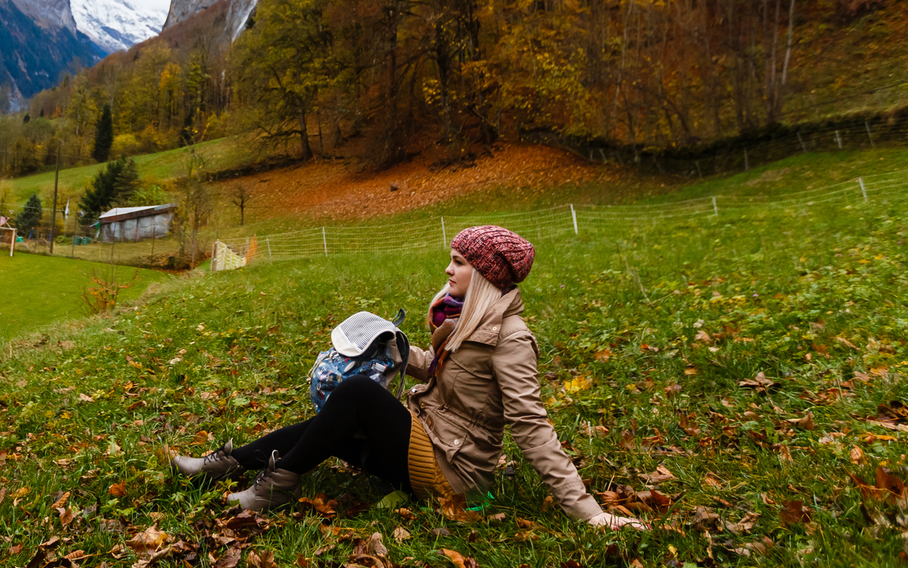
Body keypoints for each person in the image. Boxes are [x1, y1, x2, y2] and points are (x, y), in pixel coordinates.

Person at [171, 225, 642, 528]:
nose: (448, 268)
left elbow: (532, 426)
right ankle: (225, 464)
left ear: (483, 275)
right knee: (330, 425)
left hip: (450, 470)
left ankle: (277, 487)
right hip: (427, 435)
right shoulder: (469, 320)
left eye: (458, 262)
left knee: (356, 394)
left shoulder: (510, 339)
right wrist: (393, 347)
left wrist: (589, 512)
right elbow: (446, 373)